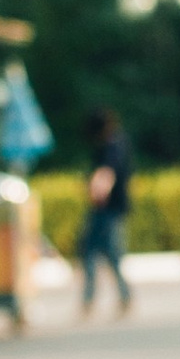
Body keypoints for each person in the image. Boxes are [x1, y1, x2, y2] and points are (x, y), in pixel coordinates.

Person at [80, 109, 134, 319]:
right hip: (109, 209)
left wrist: (96, 191)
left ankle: (94, 299)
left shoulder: (112, 144)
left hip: (109, 209)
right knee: (106, 254)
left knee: (98, 253)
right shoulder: (116, 142)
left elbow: (106, 174)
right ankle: (118, 296)